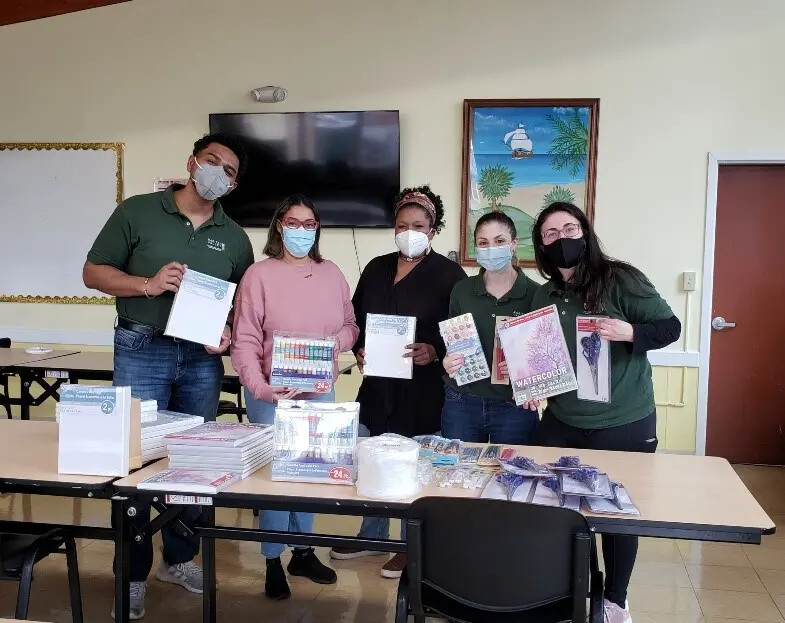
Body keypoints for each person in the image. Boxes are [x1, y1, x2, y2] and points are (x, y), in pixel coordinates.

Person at [83, 134, 254, 619]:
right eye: (212, 161)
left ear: (234, 185)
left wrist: (226, 332)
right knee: (135, 463)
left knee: (192, 466)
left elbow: (241, 303)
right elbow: (93, 272)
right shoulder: (138, 211)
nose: (218, 173)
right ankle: (132, 573)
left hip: (201, 360)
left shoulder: (235, 237)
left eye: (229, 170)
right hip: (142, 348)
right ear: (191, 161)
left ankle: (178, 560)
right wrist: (147, 284)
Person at [529, 202, 681, 623]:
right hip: (562, 421)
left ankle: (615, 599)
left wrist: (629, 331)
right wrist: (529, 385)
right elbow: (541, 357)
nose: (562, 239)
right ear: (542, 245)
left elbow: (670, 327)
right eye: (551, 234)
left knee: (616, 516)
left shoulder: (620, 278)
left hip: (623, 423)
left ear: (585, 232)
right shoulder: (545, 294)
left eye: (569, 228)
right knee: (559, 511)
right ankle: (565, 590)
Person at [328, 186, 466, 579]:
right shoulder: (376, 267)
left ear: (433, 230)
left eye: (419, 226)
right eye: (403, 225)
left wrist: (434, 351)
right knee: (371, 458)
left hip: (422, 391)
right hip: (377, 387)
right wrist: (357, 351)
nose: (410, 232)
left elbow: (460, 333)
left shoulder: (449, 275)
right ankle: (371, 534)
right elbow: (354, 321)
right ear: (394, 227)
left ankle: (410, 545)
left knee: (412, 468)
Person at [231, 194, 359, 601]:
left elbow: (351, 326)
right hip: (272, 395)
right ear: (278, 226)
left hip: (319, 394)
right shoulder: (258, 275)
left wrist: (333, 343)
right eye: (293, 222)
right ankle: (271, 557)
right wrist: (261, 387)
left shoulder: (332, 273)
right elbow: (245, 340)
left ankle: (302, 552)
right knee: (274, 479)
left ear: (317, 230)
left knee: (311, 473)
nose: (301, 231)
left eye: (309, 224)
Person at [441, 212, 539, 443]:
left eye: (500, 241)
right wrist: (448, 361)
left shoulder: (536, 294)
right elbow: (452, 342)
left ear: (514, 245)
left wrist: (535, 384)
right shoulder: (461, 290)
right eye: (483, 243)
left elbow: (542, 355)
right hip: (461, 402)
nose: (491, 248)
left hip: (513, 405)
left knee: (512, 474)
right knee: (458, 473)